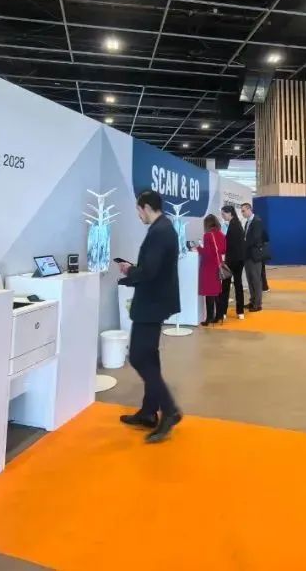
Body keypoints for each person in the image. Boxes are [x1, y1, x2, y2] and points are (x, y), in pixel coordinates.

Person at [117, 190, 182, 443]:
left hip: (151, 304)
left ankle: (169, 409)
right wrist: (134, 270)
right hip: (156, 302)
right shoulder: (164, 228)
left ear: (145, 207)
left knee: (138, 356)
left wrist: (130, 271)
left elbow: (150, 271)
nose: (138, 215)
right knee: (149, 357)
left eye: (138, 210)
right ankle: (148, 412)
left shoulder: (160, 231)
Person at [194, 214, 227, 326]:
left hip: (208, 267)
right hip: (218, 265)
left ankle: (209, 318)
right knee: (216, 291)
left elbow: (206, 254)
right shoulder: (221, 234)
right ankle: (219, 315)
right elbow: (223, 250)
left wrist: (198, 247)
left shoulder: (208, 235)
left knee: (209, 293)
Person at [220, 206, 246, 319]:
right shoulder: (237, 224)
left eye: (223, 214)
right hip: (239, 259)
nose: (222, 216)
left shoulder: (232, 225)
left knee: (225, 285)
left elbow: (228, 244)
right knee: (238, 285)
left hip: (231, 260)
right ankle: (240, 312)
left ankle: (223, 312)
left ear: (230, 213)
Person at [240, 202, 266, 312]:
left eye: (243, 211)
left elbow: (255, 238)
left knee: (256, 280)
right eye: (241, 211)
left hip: (254, 256)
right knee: (250, 280)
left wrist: (243, 244)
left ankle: (258, 304)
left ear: (249, 209)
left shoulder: (257, 221)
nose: (242, 213)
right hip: (247, 255)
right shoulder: (247, 222)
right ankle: (253, 301)